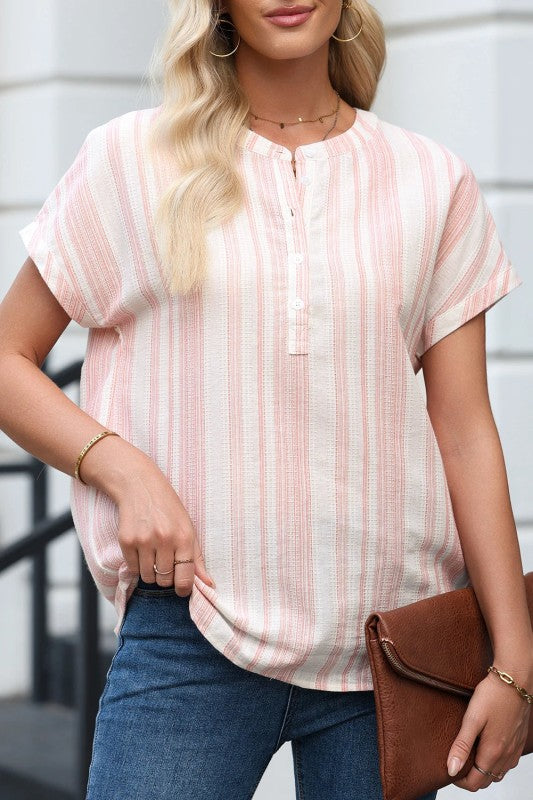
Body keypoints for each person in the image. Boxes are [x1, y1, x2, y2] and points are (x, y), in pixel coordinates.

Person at [0, 0, 531, 798]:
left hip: (390, 648)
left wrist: (515, 664)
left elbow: (463, 431)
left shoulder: (431, 180)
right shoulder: (130, 160)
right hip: (190, 627)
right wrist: (120, 468)